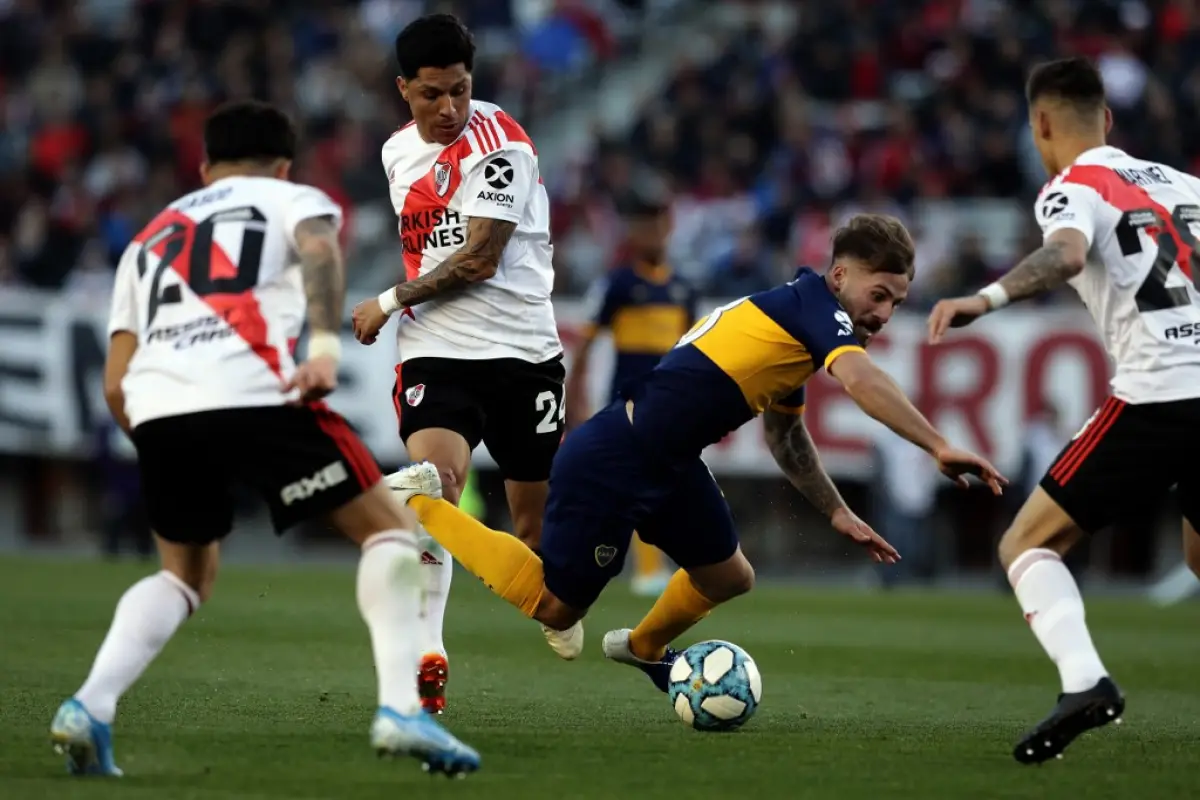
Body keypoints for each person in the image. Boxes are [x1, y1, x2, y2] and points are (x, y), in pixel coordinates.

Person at [49, 101, 479, 778]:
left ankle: (89, 705)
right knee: (391, 532)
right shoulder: (291, 199)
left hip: (159, 410)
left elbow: (113, 383)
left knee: (184, 575)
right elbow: (316, 250)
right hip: (258, 394)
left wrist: (164, 436)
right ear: (283, 164)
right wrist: (328, 348)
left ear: (203, 166)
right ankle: (401, 711)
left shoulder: (147, 240)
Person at [387, 214, 1006, 675]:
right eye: (879, 296)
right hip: (617, 456)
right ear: (841, 274)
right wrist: (936, 444)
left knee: (729, 575)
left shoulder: (802, 324)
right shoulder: (818, 312)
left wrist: (838, 511)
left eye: (897, 302)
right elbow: (863, 381)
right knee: (554, 607)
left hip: (670, 464)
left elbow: (786, 434)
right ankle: (419, 503)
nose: (886, 313)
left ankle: (644, 647)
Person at [928, 56, 1200, 765]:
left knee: (1025, 543)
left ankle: (1085, 682)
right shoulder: (1184, 184)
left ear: (1040, 123)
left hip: (1161, 394)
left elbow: (1067, 257)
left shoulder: (1071, 187)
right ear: (1108, 119)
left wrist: (982, 300)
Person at [351, 14, 562, 715]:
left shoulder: (504, 148)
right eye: (432, 96)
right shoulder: (393, 155)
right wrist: (405, 309)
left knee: (532, 531)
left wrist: (387, 299)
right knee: (433, 488)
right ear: (403, 89)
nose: (449, 110)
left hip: (523, 351)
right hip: (437, 349)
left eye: (461, 92)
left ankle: (558, 601)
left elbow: (479, 258)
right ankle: (429, 654)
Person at [566, 187, 697, 596]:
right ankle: (641, 569)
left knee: (654, 485)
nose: (654, 232)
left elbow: (690, 351)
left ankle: (644, 566)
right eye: (645, 224)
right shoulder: (617, 284)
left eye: (659, 223)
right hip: (629, 401)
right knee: (632, 483)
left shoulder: (684, 289)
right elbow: (585, 344)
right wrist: (576, 394)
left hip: (671, 403)